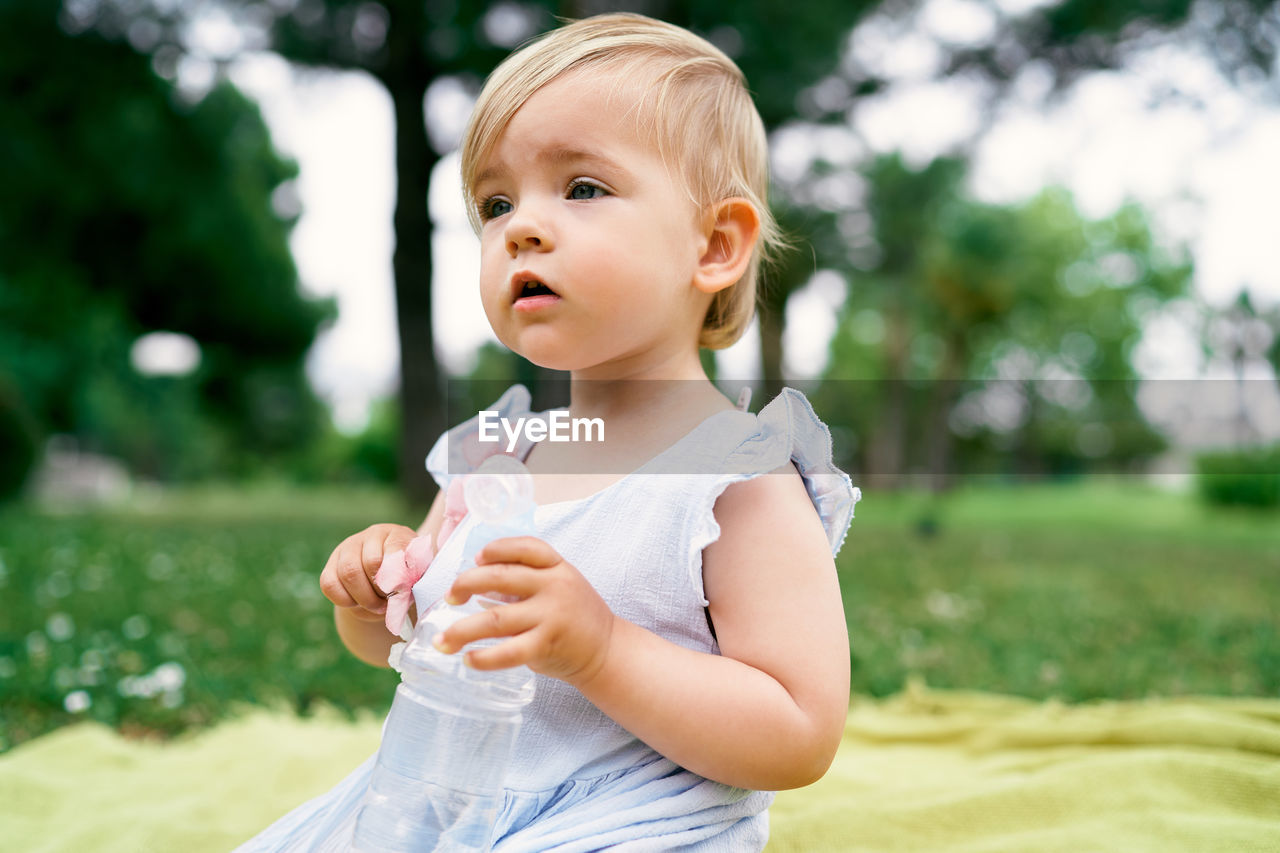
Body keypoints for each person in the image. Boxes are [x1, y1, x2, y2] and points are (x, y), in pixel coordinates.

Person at [235, 12, 859, 852]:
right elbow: (412, 638)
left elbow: (798, 729)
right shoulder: (498, 453)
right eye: (496, 202)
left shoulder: (737, 477)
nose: (521, 225)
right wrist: (374, 590)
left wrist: (601, 650)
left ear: (714, 245)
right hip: (440, 803)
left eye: (583, 188)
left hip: (630, 823)